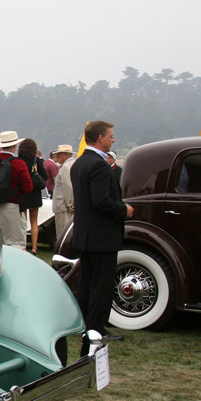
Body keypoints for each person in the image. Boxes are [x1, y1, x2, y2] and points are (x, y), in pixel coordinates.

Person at [70, 121, 133, 351]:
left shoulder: (79, 163)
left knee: (87, 282)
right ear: (99, 138)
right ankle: (97, 327)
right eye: (111, 136)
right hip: (101, 235)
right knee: (101, 284)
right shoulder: (98, 165)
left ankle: (87, 324)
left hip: (85, 233)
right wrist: (123, 210)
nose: (113, 140)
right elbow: (101, 201)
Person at [17, 138, 47, 254]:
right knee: (34, 221)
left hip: (23, 192)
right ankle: (34, 246)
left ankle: (24, 245)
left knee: (23, 221)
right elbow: (45, 177)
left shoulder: (19, 161)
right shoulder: (37, 160)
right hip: (35, 193)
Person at [51, 144, 75, 236]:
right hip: (65, 206)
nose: (57, 157)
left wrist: (69, 204)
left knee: (62, 232)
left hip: (63, 207)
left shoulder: (66, 167)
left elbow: (68, 186)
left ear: (65, 155)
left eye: (59, 155)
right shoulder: (71, 164)